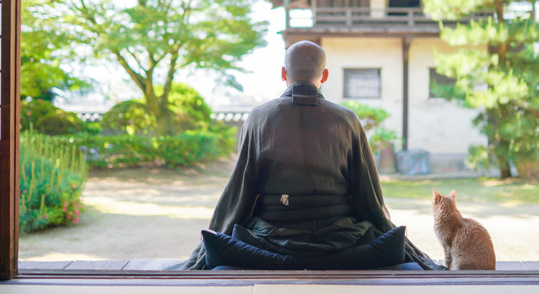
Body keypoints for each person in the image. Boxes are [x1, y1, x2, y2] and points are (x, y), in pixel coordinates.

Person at [172, 41, 443, 270]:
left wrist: (214, 239)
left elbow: (239, 192)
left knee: (227, 242)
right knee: (385, 240)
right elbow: (367, 196)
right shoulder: (348, 120)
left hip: (270, 241)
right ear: (324, 76)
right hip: (341, 241)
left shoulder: (258, 118)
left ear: (283, 73)